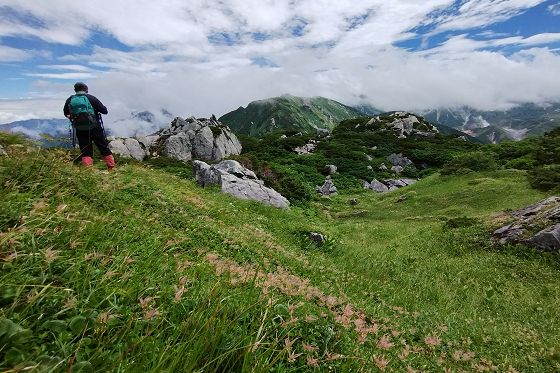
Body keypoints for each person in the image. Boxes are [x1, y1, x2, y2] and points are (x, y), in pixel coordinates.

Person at [63, 82, 115, 169]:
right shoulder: (91, 98)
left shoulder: (70, 100)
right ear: (86, 89)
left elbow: (66, 113)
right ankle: (111, 168)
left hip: (80, 129)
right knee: (103, 147)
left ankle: (88, 170)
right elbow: (104, 111)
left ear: (75, 90)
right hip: (95, 127)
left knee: (85, 150)